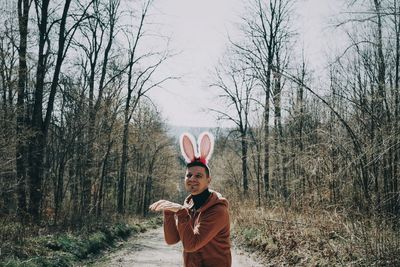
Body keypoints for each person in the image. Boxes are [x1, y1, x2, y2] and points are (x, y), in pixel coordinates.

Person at [149, 132, 231, 267]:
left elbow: (190, 245)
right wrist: (168, 211)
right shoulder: (190, 204)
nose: (192, 179)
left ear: (208, 180)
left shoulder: (218, 210)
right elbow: (172, 239)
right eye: (189, 175)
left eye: (198, 175)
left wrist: (181, 212)